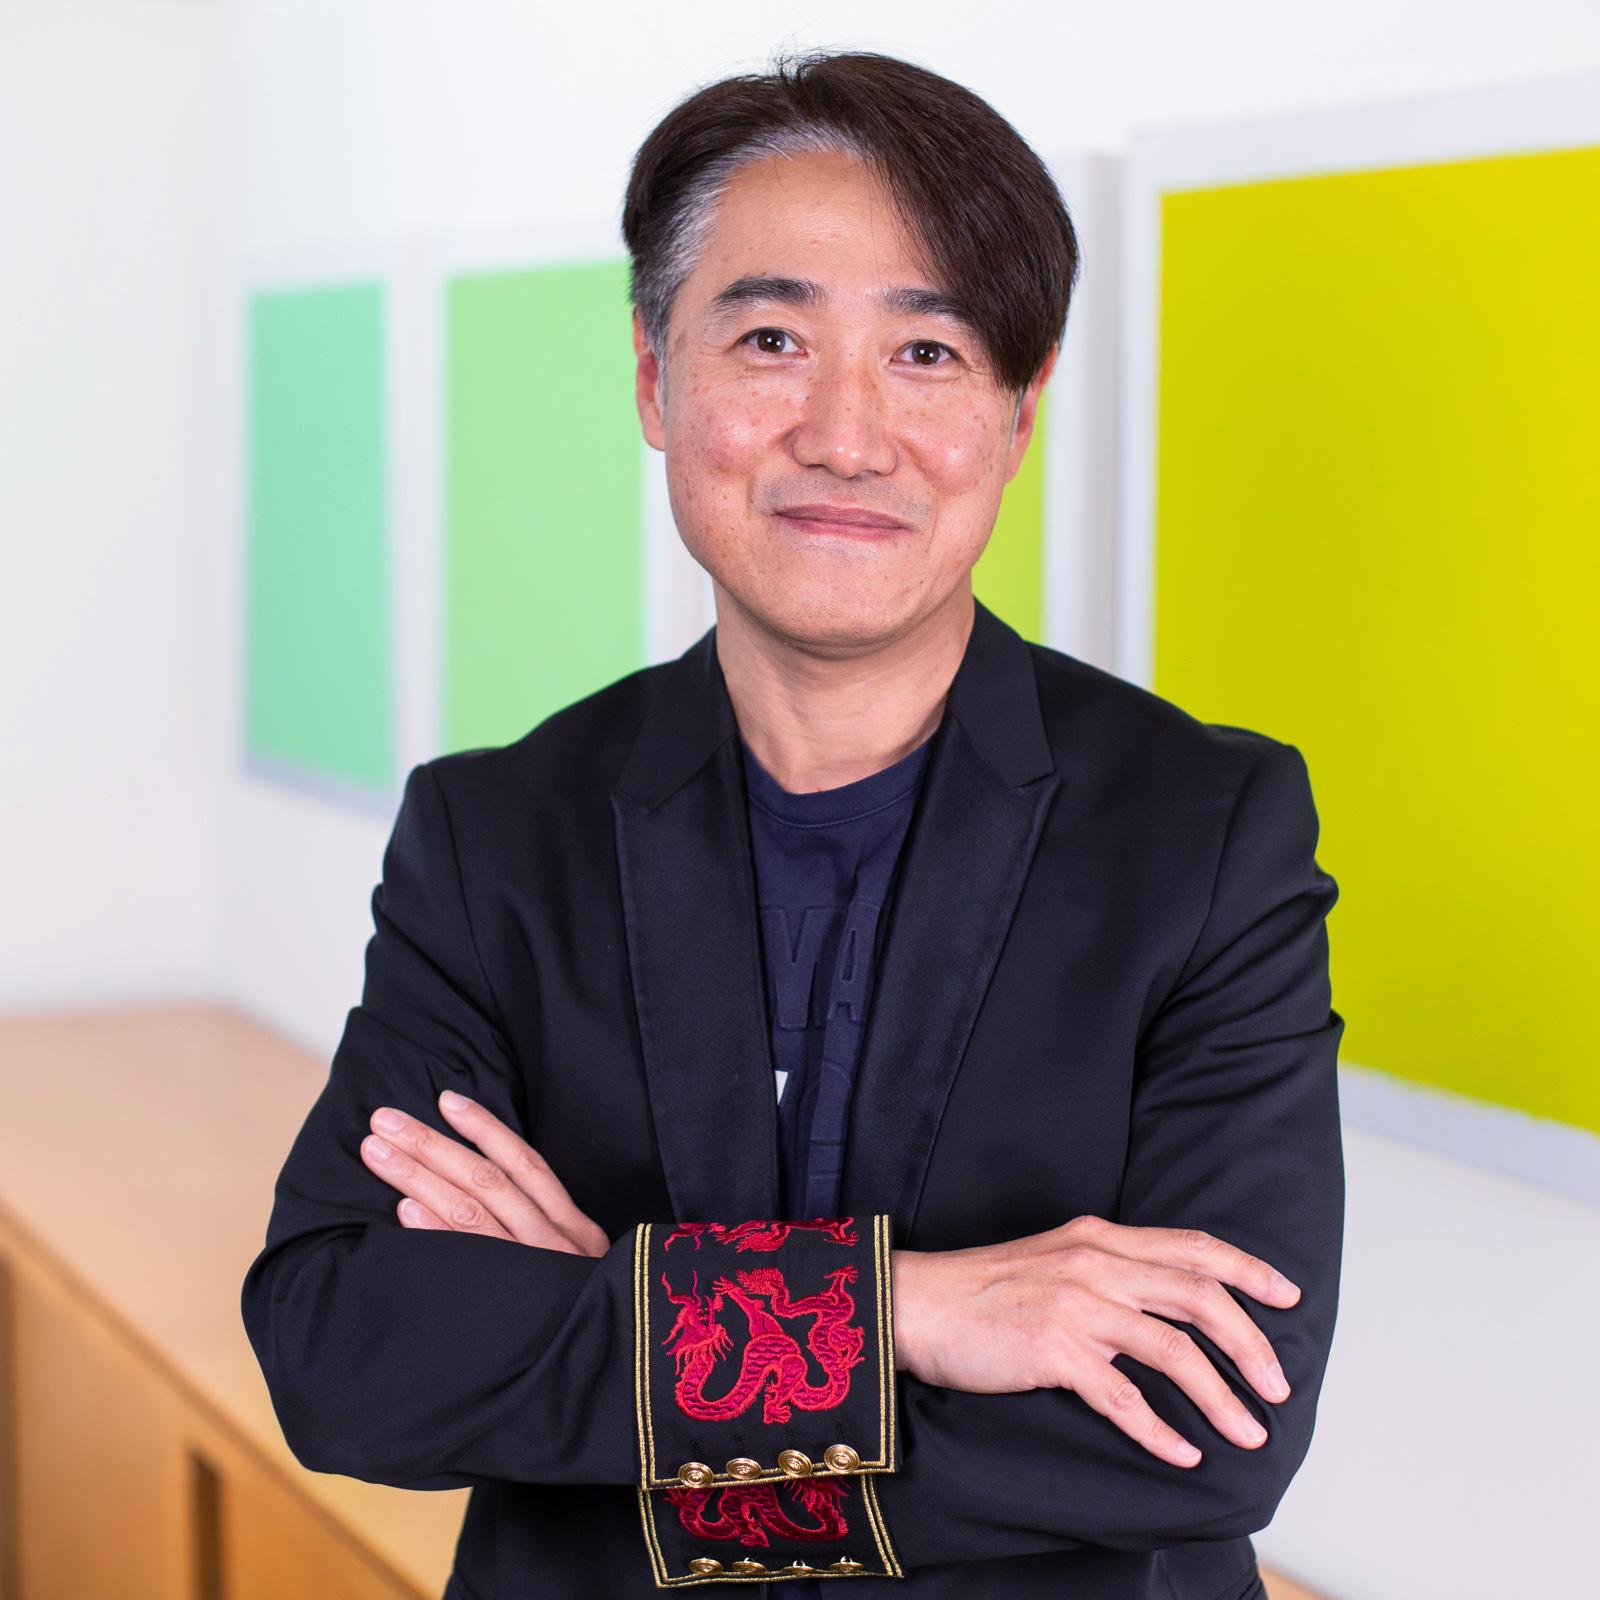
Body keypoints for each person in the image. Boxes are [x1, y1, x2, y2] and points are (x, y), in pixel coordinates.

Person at [240, 48, 1344, 1600]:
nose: (843, 433)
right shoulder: (495, 836)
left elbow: (1205, 1426)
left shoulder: (1204, 833)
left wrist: (619, 1346)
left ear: (1019, 410)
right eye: (769, 337)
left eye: (929, 354)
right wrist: (904, 1312)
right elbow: (344, 1349)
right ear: (651, 376)